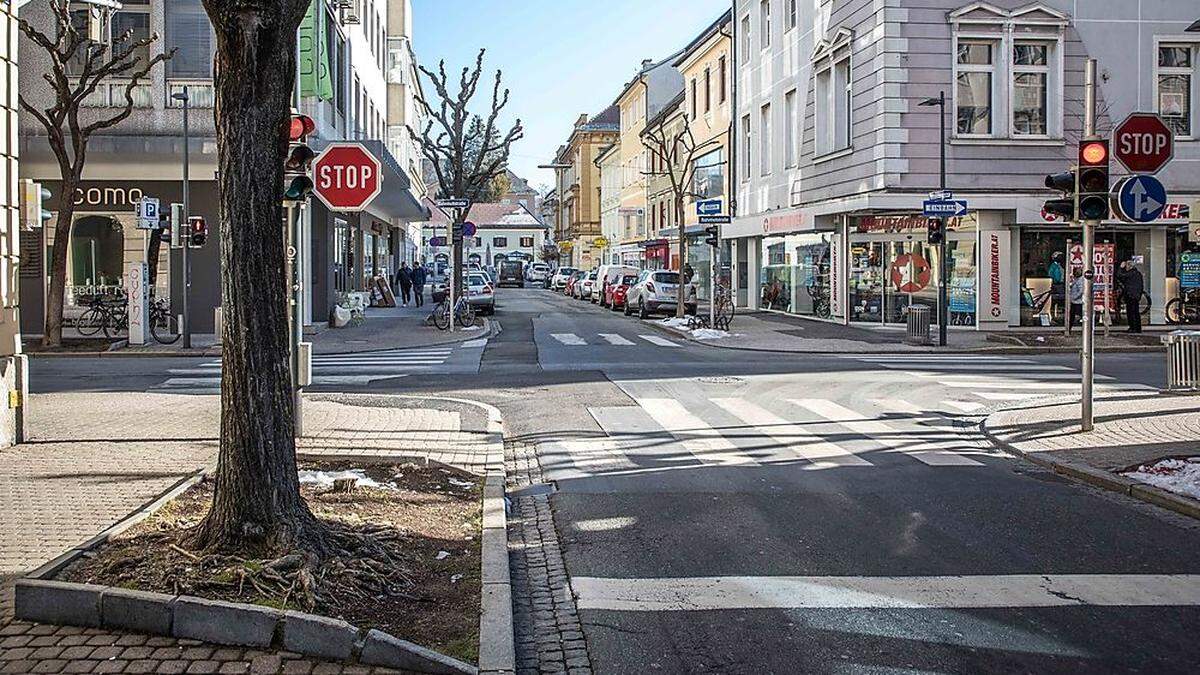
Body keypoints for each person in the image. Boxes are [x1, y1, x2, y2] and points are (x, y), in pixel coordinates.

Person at [1117, 259, 1145, 333]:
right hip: (1135, 295)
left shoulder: (1131, 273)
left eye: (1126, 266)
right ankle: (1137, 328)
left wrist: (1121, 267)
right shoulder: (1137, 273)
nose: (1125, 267)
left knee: (1131, 312)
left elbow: (1120, 276)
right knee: (1135, 312)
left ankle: (1133, 328)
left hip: (1131, 295)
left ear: (1129, 266)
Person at [1048, 251, 1065, 321]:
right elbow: (1050, 275)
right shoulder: (1053, 266)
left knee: (1060, 300)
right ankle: (1052, 316)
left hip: (1060, 284)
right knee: (1055, 300)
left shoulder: (1059, 265)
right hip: (1056, 285)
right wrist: (1055, 281)